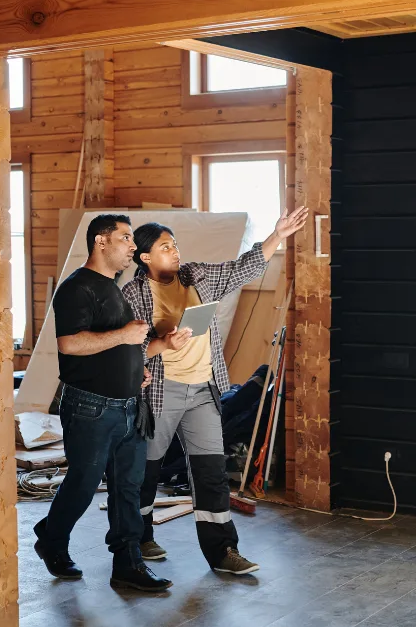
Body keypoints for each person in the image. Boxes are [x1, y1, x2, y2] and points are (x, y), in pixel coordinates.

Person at [122, 207, 309, 575]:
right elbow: (128, 348)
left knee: (210, 472)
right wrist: (164, 342)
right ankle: (138, 538)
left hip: (203, 390)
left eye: (175, 245)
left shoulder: (197, 276)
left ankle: (223, 551)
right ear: (145, 258)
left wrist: (277, 235)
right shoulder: (134, 293)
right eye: (164, 247)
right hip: (161, 392)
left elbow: (243, 268)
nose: (174, 251)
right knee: (146, 470)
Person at [32, 214, 171, 592]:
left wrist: (136, 370)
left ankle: (128, 564)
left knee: (128, 487)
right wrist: (125, 336)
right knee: (83, 483)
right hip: (91, 407)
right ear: (101, 241)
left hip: (129, 405)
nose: (133, 246)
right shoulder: (77, 288)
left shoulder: (113, 288)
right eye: (125, 238)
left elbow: (115, 347)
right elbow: (70, 344)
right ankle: (52, 539)